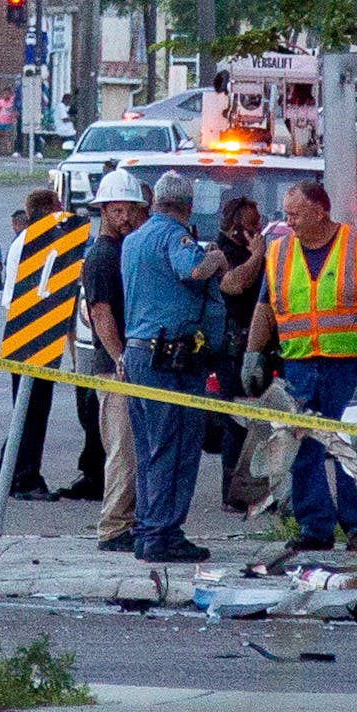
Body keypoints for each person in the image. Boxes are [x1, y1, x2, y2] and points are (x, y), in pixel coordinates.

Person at [241, 181, 357, 552]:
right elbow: (265, 308)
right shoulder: (278, 253)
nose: (288, 221)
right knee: (301, 447)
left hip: (350, 365)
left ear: (320, 211)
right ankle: (315, 527)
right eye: (286, 214)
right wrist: (252, 353)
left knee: (351, 446)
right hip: (299, 365)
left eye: (294, 214)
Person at [121, 171, 228, 563]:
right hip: (170, 359)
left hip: (138, 352)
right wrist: (214, 257)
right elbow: (194, 271)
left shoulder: (133, 241)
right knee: (176, 445)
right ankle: (164, 535)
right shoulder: (174, 236)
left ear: (154, 203)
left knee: (148, 447)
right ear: (187, 207)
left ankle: (146, 530)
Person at [81, 169, 150, 551]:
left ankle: (128, 521)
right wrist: (119, 356)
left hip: (123, 366)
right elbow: (101, 313)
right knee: (122, 452)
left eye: (131, 211)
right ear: (104, 210)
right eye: (119, 211)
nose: (126, 218)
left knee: (133, 451)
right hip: (114, 370)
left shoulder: (123, 251)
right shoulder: (103, 256)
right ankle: (113, 528)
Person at [0, 190, 65, 500]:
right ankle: (24, 478)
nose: (61, 210)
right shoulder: (38, 242)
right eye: (57, 206)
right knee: (33, 409)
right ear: (46, 209)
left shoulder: (25, 239)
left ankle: (2, 472)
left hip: (21, 329)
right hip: (32, 330)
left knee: (27, 409)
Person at [214, 196, 265, 512]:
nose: (259, 230)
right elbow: (234, 284)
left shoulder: (252, 252)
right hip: (232, 345)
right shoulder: (220, 252)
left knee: (262, 422)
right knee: (236, 421)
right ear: (236, 229)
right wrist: (257, 256)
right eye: (252, 225)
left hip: (257, 343)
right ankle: (232, 495)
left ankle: (258, 491)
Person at [0, 87, 17, 156]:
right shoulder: (0, 102)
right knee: (0, 136)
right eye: (4, 94)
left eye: (7, 94)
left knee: (8, 136)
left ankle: (8, 151)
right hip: (1, 121)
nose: (5, 95)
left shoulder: (12, 101)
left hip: (9, 122)